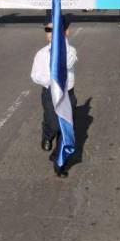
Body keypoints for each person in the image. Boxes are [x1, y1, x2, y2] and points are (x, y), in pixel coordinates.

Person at [31, 17, 78, 178]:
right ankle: (47, 134)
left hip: (67, 94)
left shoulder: (70, 51)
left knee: (65, 131)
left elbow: (66, 64)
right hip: (49, 93)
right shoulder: (41, 54)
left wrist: (61, 45)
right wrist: (49, 81)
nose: (51, 33)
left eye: (55, 30)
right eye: (48, 30)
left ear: (65, 32)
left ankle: (60, 163)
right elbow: (35, 75)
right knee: (54, 124)